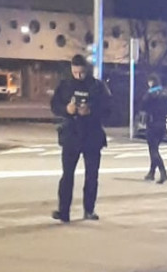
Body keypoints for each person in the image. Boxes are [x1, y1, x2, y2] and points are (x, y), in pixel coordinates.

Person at [50, 54, 111, 223]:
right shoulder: (65, 85)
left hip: (92, 136)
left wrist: (90, 110)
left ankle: (89, 210)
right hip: (71, 135)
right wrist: (66, 109)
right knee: (67, 175)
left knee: (92, 175)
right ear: (71, 69)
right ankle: (64, 211)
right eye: (75, 72)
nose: (78, 76)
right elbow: (54, 106)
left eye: (81, 73)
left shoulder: (97, 86)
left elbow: (109, 109)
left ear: (87, 70)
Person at [140, 74, 167, 184]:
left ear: (152, 82)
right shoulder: (166, 94)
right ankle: (151, 173)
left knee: (153, 150)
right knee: (155, 149)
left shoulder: (150, 94)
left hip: (152, 123)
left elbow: (143, 106)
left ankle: (163, 173)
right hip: (162, 124)